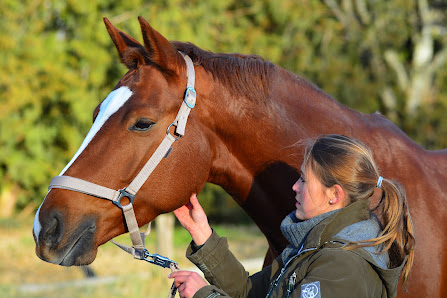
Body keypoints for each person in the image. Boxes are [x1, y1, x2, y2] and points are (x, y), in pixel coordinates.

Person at [168, 134, 415, 298]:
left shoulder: (342, 266)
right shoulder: (312, 248)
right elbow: (248, 292)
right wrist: (202, 233)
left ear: (334, 195)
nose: (295, 187)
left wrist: (206, 295)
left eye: (304, 180)